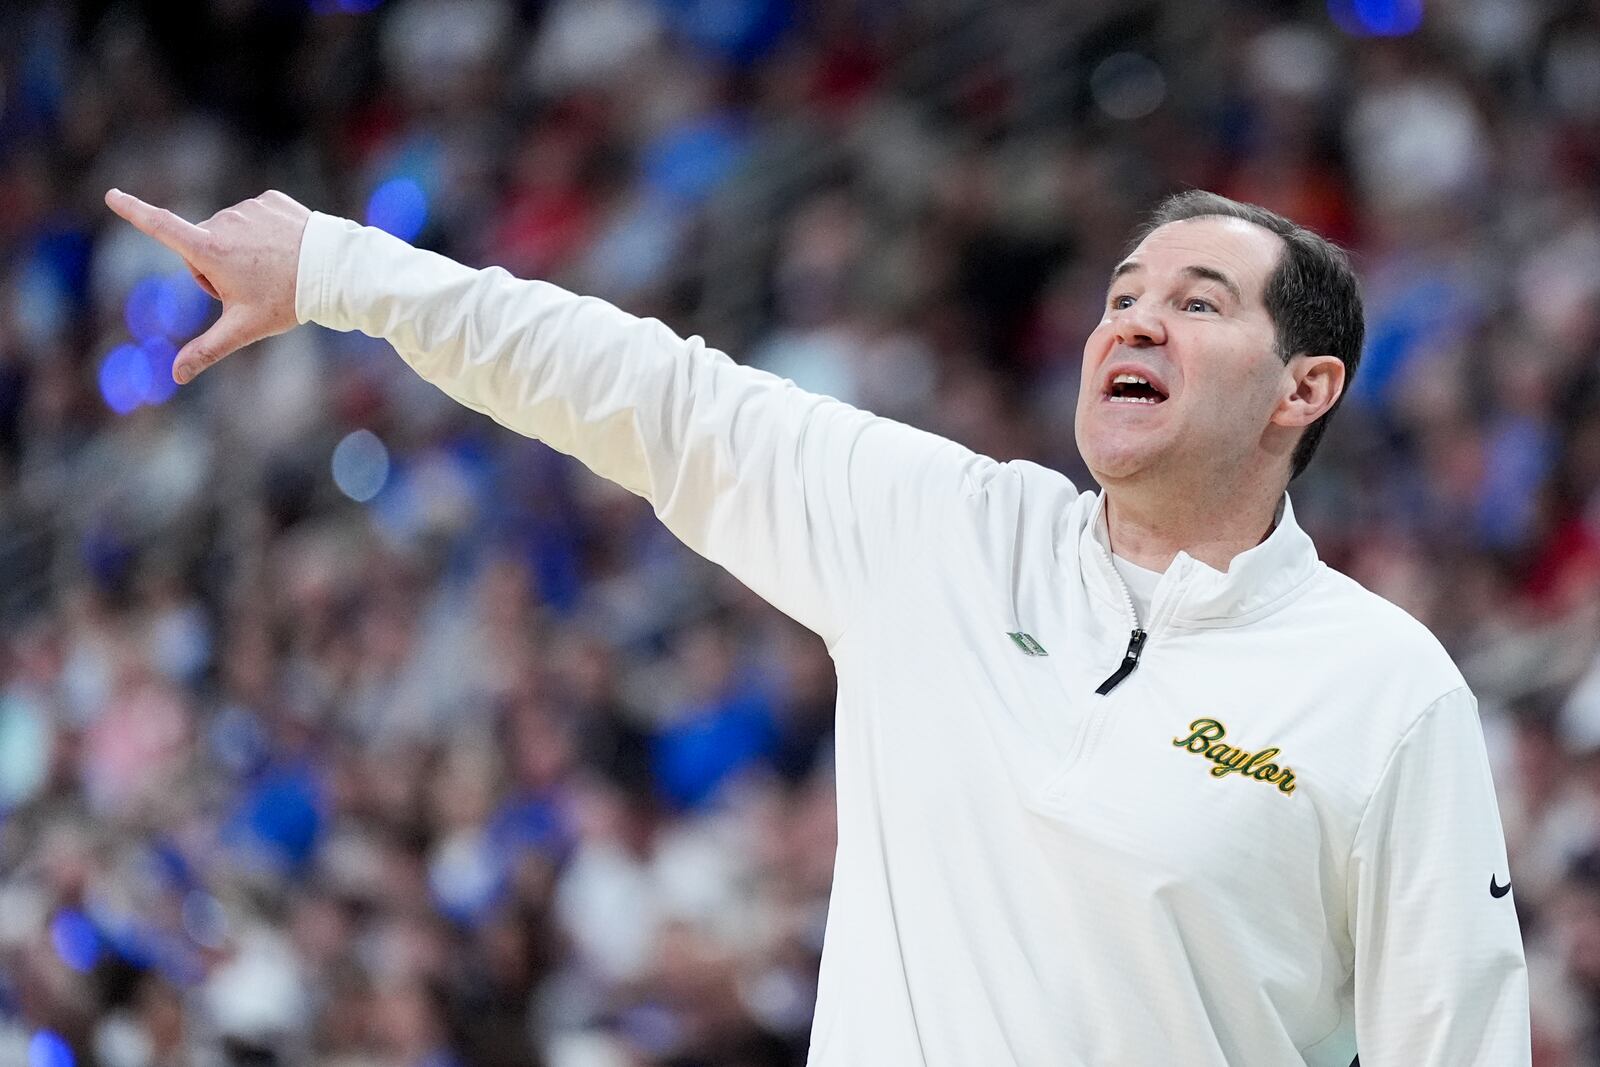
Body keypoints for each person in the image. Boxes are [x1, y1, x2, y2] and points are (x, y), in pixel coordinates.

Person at [104, 185, 1530, 1065]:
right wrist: (342, 268)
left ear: (1306, 388)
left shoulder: (1384, 690)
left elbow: (1455, 1046)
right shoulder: (946, 530)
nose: (1132, 326)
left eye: (1198, 303)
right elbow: (654, 393)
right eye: (1120, 298)